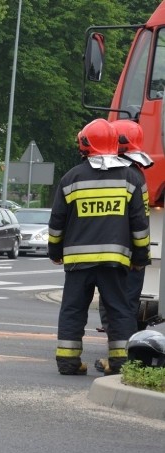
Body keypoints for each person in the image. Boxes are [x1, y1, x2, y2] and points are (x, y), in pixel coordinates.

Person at [48, 118, 150, 376]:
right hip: (115, 261)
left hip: (78, 262)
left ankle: (68, 363)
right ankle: (120, 363)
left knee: (73, 309)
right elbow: (139, 225)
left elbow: (57, 222)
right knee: (119, 310)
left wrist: (55, 252)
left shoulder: (71, 178)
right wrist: (140, 257)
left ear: (85, 144)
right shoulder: (130, 179)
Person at [96, 119, 153, 344]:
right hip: (132, 254)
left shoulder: (123, 175)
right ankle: (123, 357)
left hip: (122, 255)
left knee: (116, 308)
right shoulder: (137, 173)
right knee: (125, 306)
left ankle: (121, 359)